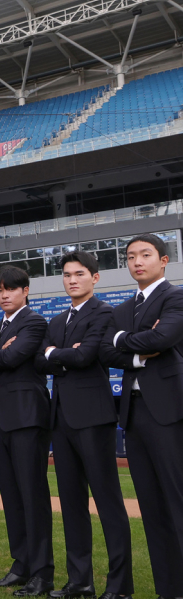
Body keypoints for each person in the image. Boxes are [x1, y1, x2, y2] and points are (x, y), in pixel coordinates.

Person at [35, 251, 132, 599]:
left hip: (93, 417)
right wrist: (60, 355)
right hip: (60, 418)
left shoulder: (104, 312)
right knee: (72, 503)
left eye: (79, 273)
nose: (72, 279)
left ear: (95, 277)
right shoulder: (58, 320)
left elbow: (85, 355)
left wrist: (55, 355)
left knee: (108, 502)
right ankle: (80, 582)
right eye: (66, 274)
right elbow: (40, 359)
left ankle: (120, 587)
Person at [100, 233, 183, 599]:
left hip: (170, 412)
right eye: (131, 256)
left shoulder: (176, 296)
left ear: (163, 261)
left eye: (145, 254)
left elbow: (161, 339)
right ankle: (169, 589)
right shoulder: (122, 309)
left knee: (177, 501)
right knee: (151, 508)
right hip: (133, 416)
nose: (137, 261)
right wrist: (130, 348)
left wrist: (122, 340)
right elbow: (105, 351)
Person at [0, 266, 52, 597]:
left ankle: (42, 571)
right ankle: (20, 565)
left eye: (11, 289)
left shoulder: (34, 322)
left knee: (32, 495)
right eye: (0, 290)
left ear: (25, 290)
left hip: (27, 416)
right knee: (11, 496)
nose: (4, 295)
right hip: (1, 419)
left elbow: (15, 356)